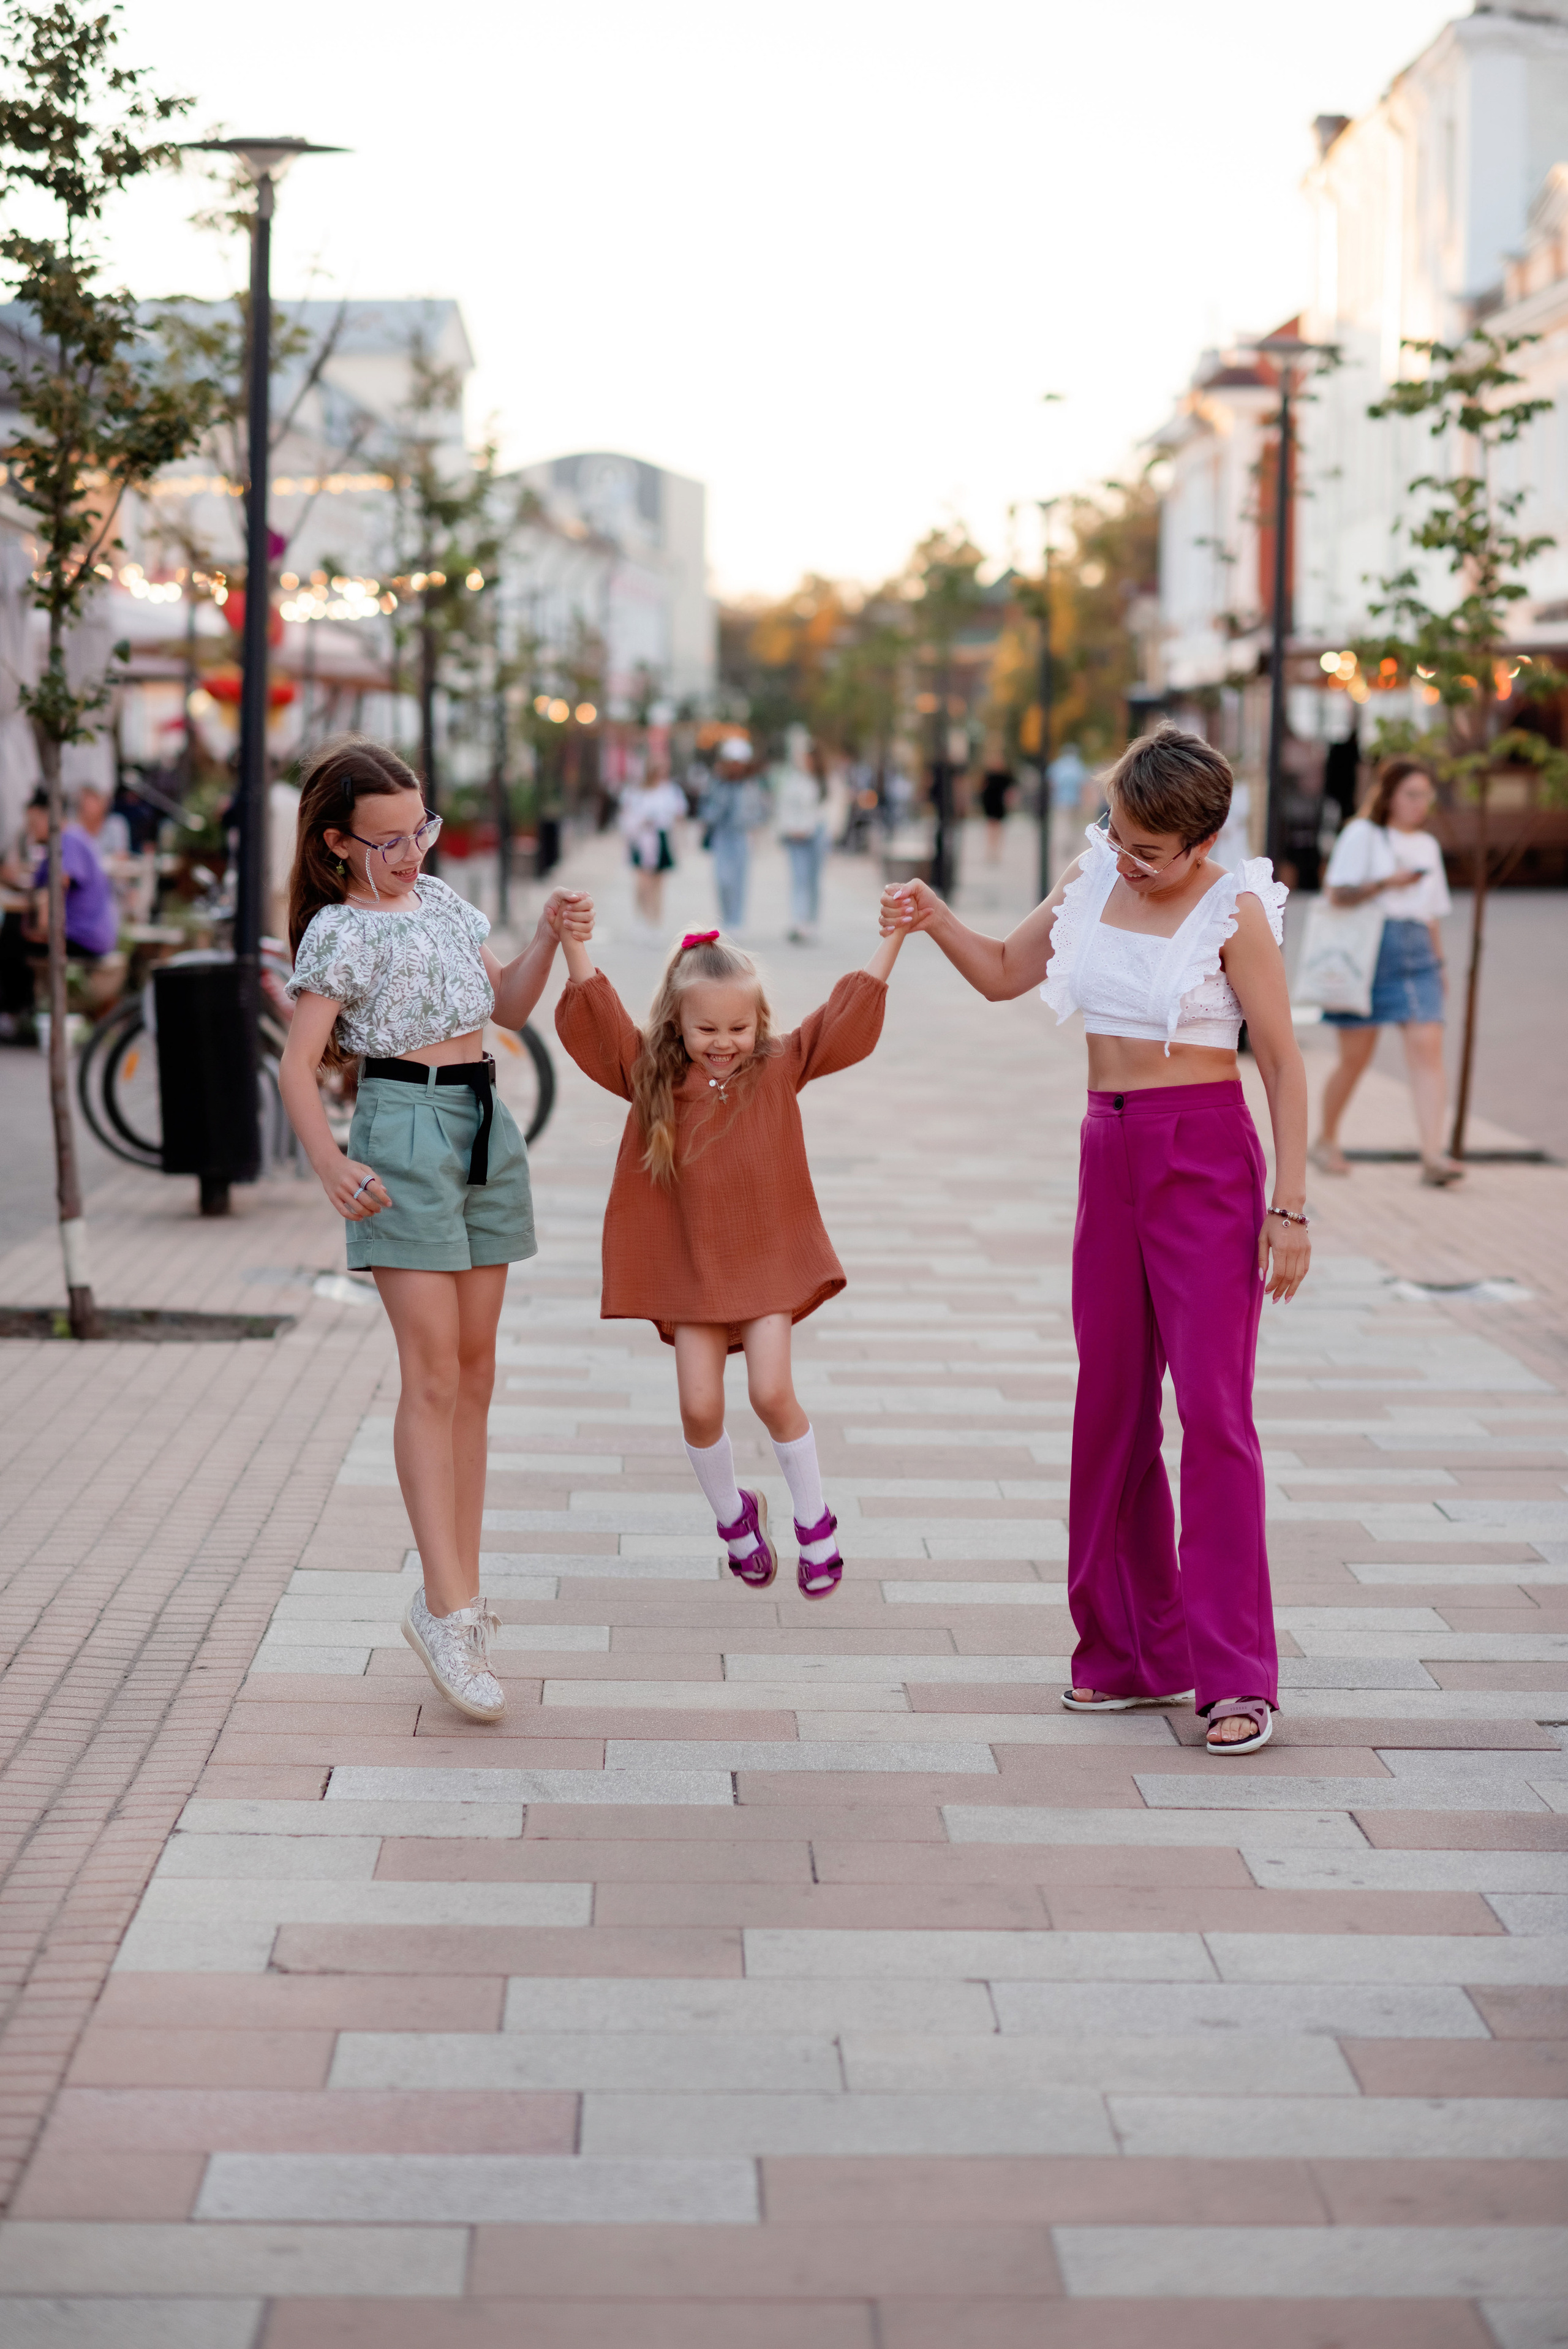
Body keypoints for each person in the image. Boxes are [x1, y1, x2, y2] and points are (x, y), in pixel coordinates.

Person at [883, 723, 1310, 1755]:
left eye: (1149, 850)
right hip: (1107, 1154)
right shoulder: (1089, 877)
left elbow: (1285, 1066)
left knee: (1213, 1416)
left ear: (1203, 842)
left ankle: (1233, 1678)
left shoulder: (1233, 907)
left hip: (1205, 1159)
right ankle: (1128, 1657)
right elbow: (998, 975)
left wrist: (1289, 1209)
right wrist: (933, 915)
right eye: (1118, 834)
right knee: (1112, 1409)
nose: (1128, 859)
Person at [277, 734, 593, 1724]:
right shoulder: (338, 931)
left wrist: (545, 935)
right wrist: (332, 1163)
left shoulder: (448, 903)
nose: (414, 851)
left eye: (422, 830)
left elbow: (506, 1007)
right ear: (338, 846)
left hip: (485, 1121)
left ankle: (451, 1593)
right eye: (390, 840)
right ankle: (452, 1611)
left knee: (481, 1373)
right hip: (402, 1125)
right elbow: (297, 1066)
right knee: (435, 1372)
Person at [554, 920, 907, 1599]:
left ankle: (814, 1521)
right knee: (698, 1406)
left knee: (772, 1392)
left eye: (738, 1029)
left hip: (766, 1261)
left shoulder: (779, 1065)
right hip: (692, 1272)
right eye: (707, 1030)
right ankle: (734, 1517)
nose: (724, 1044)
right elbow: (599, 1021)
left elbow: (844, 1017)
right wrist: (573, 940)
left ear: (758, 1022)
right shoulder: (654, 1076)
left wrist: (893, 936)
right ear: (677, 1027)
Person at [1311, 757, 1461, 1187]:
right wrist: (1386, 883)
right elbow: (1336, 893)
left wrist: (1441, 963)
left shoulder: (1428, 847)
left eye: (1426, 796)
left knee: (1427, 1049)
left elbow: (1432, 914)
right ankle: (1327, 1138)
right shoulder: (1363, 834)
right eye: (1412, 794)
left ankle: (1434, 1153)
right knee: (1355, 1058)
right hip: (1369, 953)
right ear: (1390, 795)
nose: (1420, 804)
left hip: (1418, 955)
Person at [617, 764, 687, 941]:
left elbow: (679, 814)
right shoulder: (635, 793)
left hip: (661, 838)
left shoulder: (671, 791)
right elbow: (626, 816)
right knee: (643, 882)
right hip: (642, 839)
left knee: (658, 883)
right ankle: (641, 918)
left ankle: (655, 921)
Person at [774, 726, 829, 943]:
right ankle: (798, 921)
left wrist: (814, 828)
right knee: (799, 879)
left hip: (815, 835)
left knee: (813, 880)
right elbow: (783, 807)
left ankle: (811, 922)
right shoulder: (791, 780)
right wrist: (790, 829)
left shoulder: (821, 781)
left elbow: (826, 811)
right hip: (795, 837)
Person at [702, 737, 761, 931]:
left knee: (739, 881)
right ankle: (726, 918)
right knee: (723, 880)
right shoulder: (717, 784)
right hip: (722, 836)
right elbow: (707, 811)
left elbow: (757, 813)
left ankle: (736, 922)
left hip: (741, 836)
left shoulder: (750, 785)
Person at [978, 762, 1013, 862]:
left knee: (998, 828)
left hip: (999, 805)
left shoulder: (1004, 777)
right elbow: (982, 789)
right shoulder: (989, 776)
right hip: (990, 804)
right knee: (991, 827)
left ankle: (996, 851)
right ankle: (990, 850)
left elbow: (1010, 791)